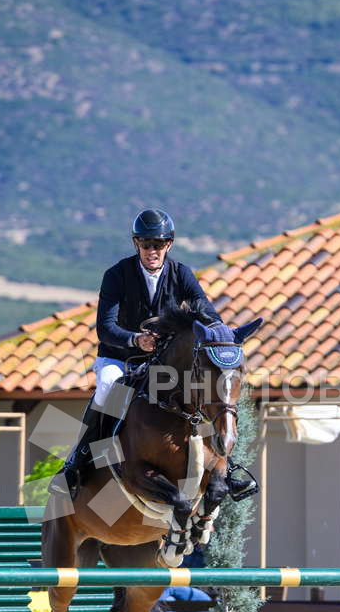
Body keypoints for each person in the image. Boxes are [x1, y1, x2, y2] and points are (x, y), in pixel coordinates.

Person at [52, 209, 256, 499]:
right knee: (107, 388)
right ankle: (78, 461)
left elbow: (207, 312)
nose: (152, 251)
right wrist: (136, 340)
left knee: (201, 391)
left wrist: (220, 334)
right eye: (146, 244)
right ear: (136, 244)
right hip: (119, 357)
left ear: (168, 245)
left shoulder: (181, 273)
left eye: (158, 244)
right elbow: (105, 328)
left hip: (161, 361)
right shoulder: (117, 275)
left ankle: (226, 467)